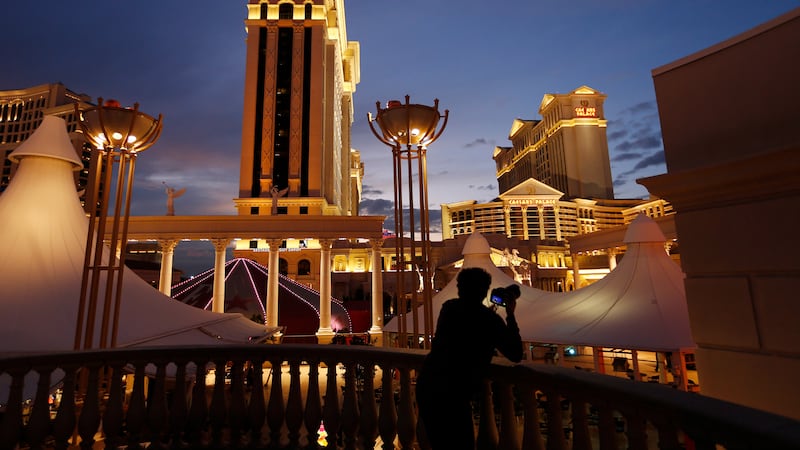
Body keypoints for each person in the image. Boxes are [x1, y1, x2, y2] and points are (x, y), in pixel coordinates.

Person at [415, 267, 523, 449]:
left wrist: (487, 314)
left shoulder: (448, 308)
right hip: (454, 394)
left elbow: (465, 325)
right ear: (484, 290)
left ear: (460, 288)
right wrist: (510, 314)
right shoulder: (489, 320)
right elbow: (515, 353)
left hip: (429, 385)